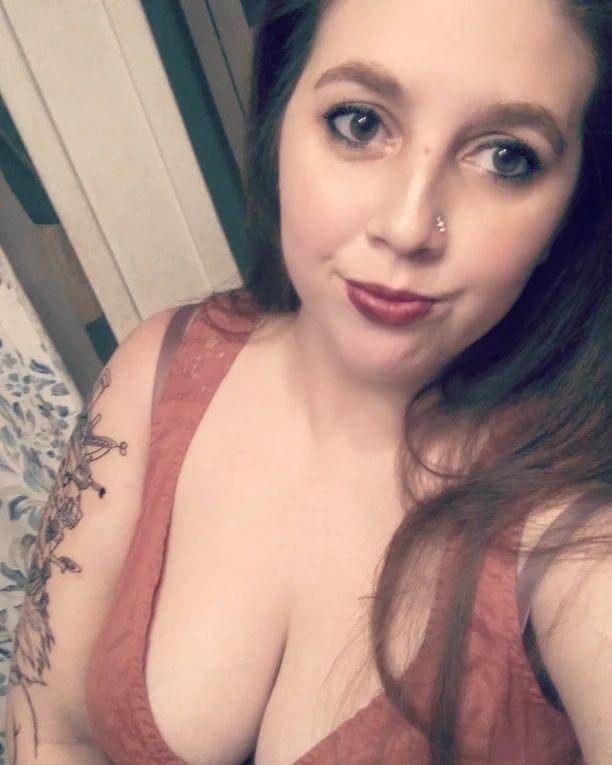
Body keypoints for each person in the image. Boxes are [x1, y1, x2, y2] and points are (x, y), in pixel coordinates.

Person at [5, 0, 612, 762]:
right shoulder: (157, 369)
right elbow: (52, 727)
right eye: (360, 123)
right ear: (279, 124)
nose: (407, 226)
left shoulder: (575, 540)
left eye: (506, 158)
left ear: (569, 208)